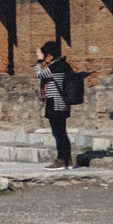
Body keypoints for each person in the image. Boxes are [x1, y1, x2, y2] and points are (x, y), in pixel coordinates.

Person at [36, 39, 79, 168]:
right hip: (58, 103)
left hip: (56, 103)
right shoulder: (61, 65)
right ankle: (65, 159)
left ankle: (62, 160)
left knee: (59, 132)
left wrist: (39, 61)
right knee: (59, 132)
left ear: (49, 55)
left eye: (45, 56)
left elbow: (39, 74)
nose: (45, 59)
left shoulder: (57, 66)